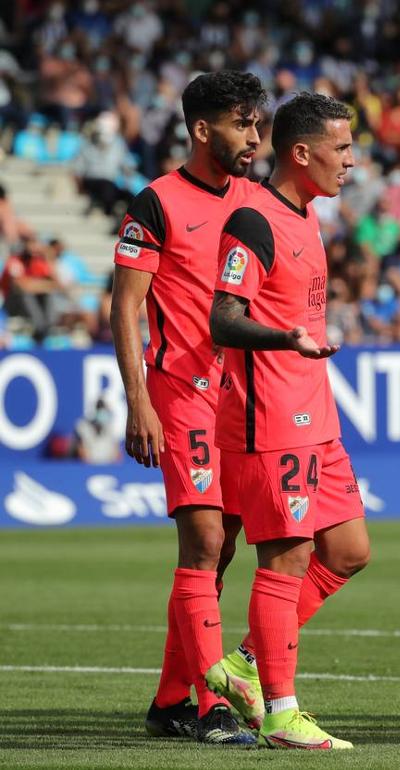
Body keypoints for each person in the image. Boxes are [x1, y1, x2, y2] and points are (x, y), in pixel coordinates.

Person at [206, 92, 370, 750]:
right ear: (301, 153)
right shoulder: (253, 219)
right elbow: (223, 318)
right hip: (268, 414)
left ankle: (245, 662)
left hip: (316, 413)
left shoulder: (308, 216)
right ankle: (280, 710)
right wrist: (284, 339)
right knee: (289, 556)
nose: (351, 162)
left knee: (350, 551)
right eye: (342, 149)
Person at [110, 70, 265, 746]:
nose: (255, 137)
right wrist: (137, 400)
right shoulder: (156, 203)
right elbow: (125, 306)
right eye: (241, 123)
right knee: (203, 541)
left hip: (243, 399)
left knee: (223, 547)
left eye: (257, 124)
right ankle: (213, 706)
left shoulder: (259, 202)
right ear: (203, 129)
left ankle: (171, 699)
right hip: (180, 392)